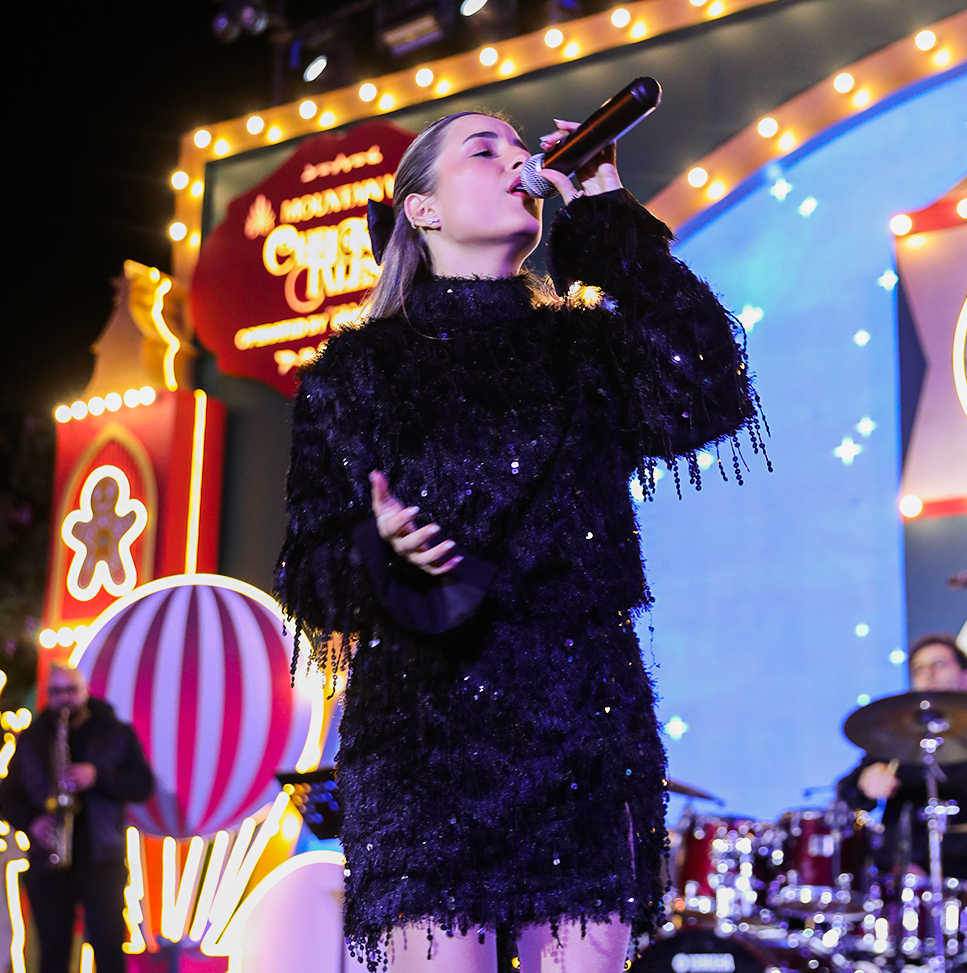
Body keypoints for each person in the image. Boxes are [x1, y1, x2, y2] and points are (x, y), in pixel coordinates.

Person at [275, 111, 764, 973]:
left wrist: (607, 212)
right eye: (484, 150)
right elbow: (307, 577)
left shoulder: (585, 349)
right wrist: (378, 547)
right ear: (422, 209)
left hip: (580, 719)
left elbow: (707, 390)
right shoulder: (356, 373)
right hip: (425, 734)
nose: (519, 160)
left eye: (519, 147)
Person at [838, 633, 967, 973]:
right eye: (918, 669)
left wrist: (929, 866)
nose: (927, 674)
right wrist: (864, 783)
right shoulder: (895, 749)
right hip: (899, 888)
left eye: (938, 665)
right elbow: (846, 795)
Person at [0, 663, 154, 973]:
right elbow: (7, 796)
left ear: (85, 691)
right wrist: (32, 822)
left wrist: (97, 775)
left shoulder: (115, 732)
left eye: (71, 690)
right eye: (56, 692)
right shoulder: (32, 738)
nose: (64, 699)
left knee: (109, 949)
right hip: (49, 860)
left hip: (102, 859)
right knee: (53, 954)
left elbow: (142, 785)